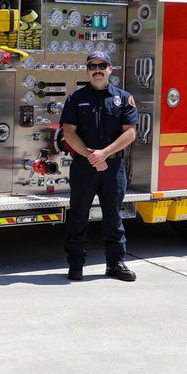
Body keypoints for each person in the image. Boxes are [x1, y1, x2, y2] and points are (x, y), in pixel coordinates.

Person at [59, 51, 140, 282]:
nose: (97, 70)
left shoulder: (124, 98)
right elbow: (68, 132)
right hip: (84, 166)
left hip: (113, 167)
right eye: (93, 66)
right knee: (78, 215)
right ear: (87, 71)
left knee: (114, 216)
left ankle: (115, 263)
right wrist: (90, 156)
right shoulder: (76, 98)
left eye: (102, 65)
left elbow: (130, 133)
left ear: (110, 69)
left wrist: (104, 154)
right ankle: (75, 265)